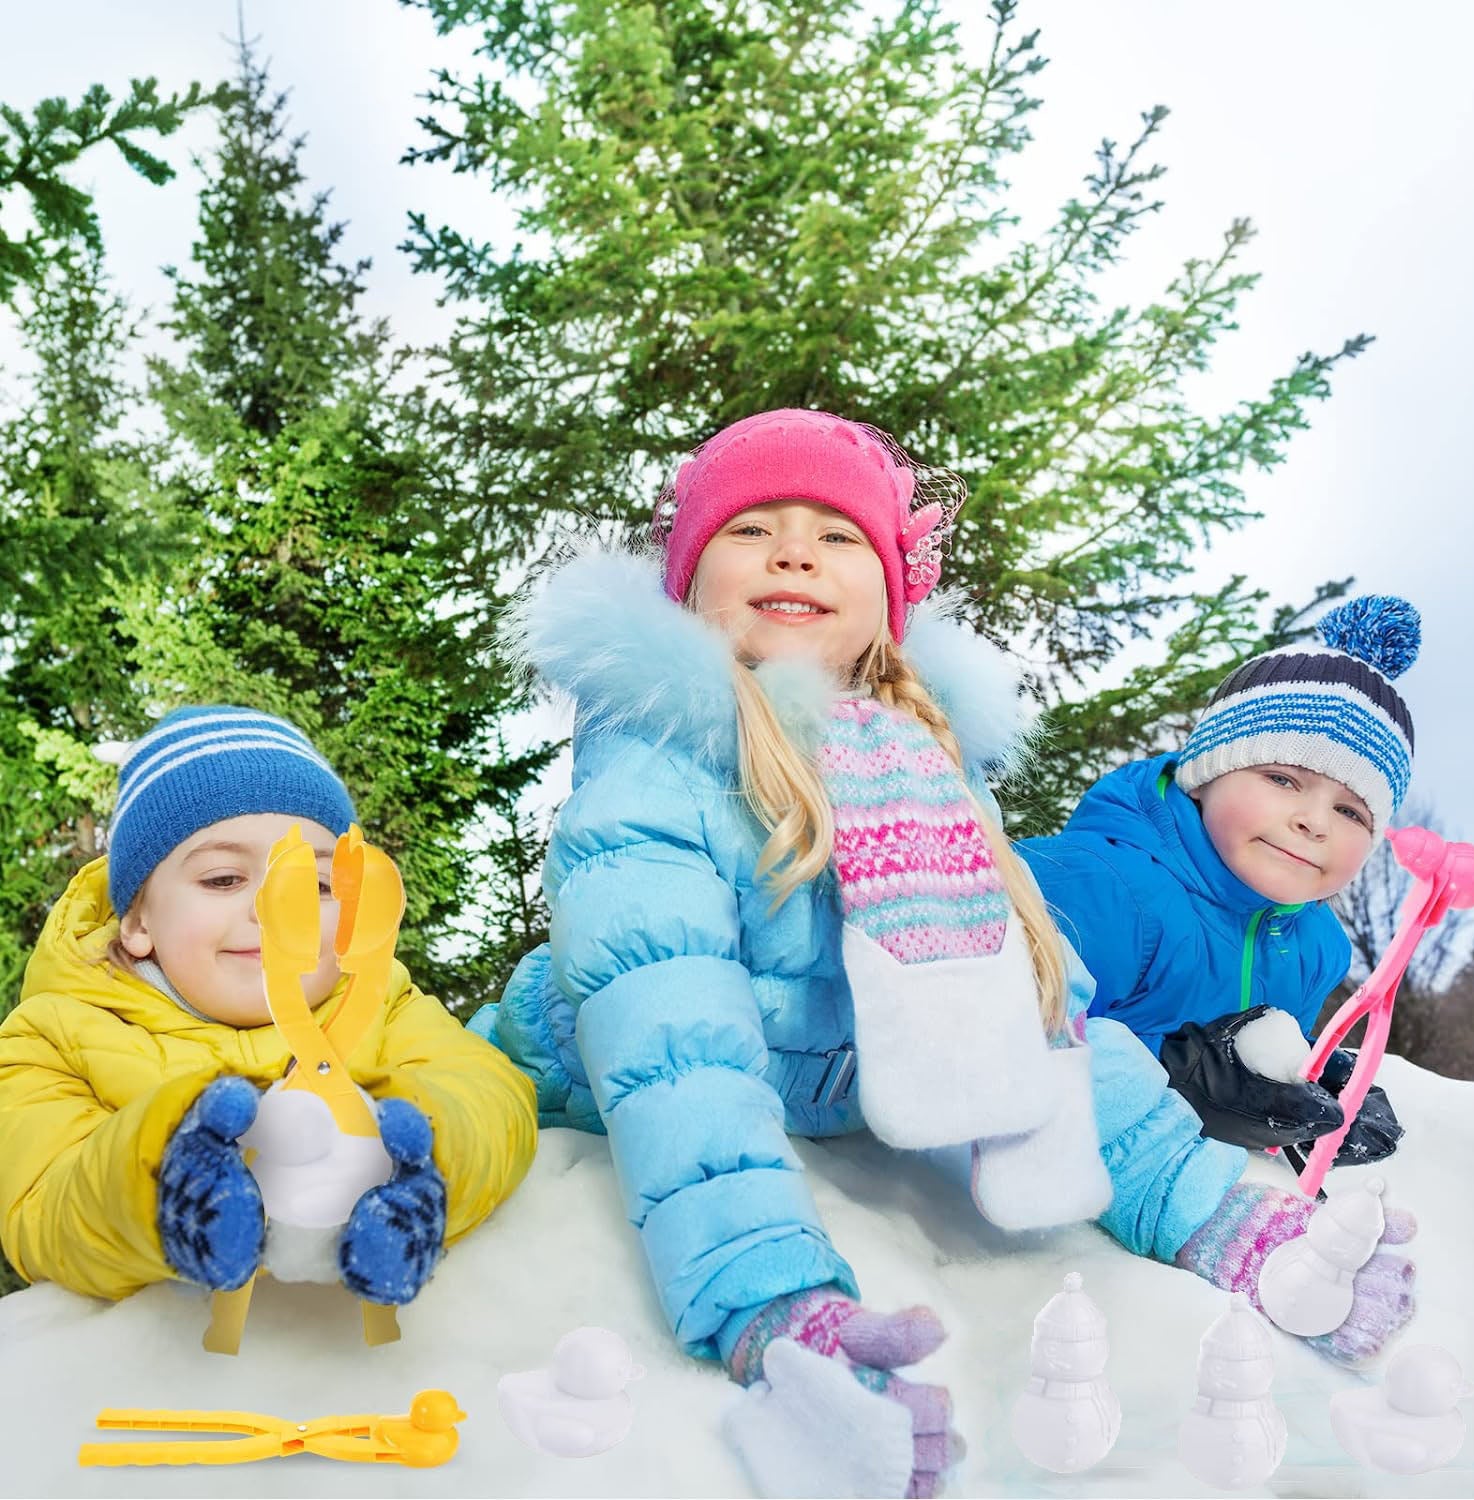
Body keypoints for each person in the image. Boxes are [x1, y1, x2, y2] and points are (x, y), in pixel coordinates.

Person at [470, 411, 1416, 1497]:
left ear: (887, 600)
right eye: (751, 531)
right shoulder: (660, 768)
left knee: (1058, 1014)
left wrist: (1202, 1191)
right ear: (688, 586)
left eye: (836, 536)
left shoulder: (916, 767)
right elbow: (673, 1049)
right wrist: (772, 1306)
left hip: (826, 1065)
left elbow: (1039, 1014)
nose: (793, 553)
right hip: (596, 1067)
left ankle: (1236, 1232)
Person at [0, 706, 537, 1308]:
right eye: (225, 879)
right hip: (170, 1378)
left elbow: (492, 1098)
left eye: (316, 886)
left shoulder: (384, 1000)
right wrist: (175, 1182)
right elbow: (42, 1204)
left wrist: (416, 1159)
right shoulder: (53, 1039)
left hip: (373, 1374)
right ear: (137, 922)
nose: (276, 908)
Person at [1018, 598, 1417, 1164]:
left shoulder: (1316, 947)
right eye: (1282, 778)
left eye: (1352, 812)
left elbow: (1262, 1061)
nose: (1315, 822)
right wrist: (1176, 1081)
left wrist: (1311, 1084)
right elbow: (990, 1045)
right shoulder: (1102, 891)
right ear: (1206, 776)